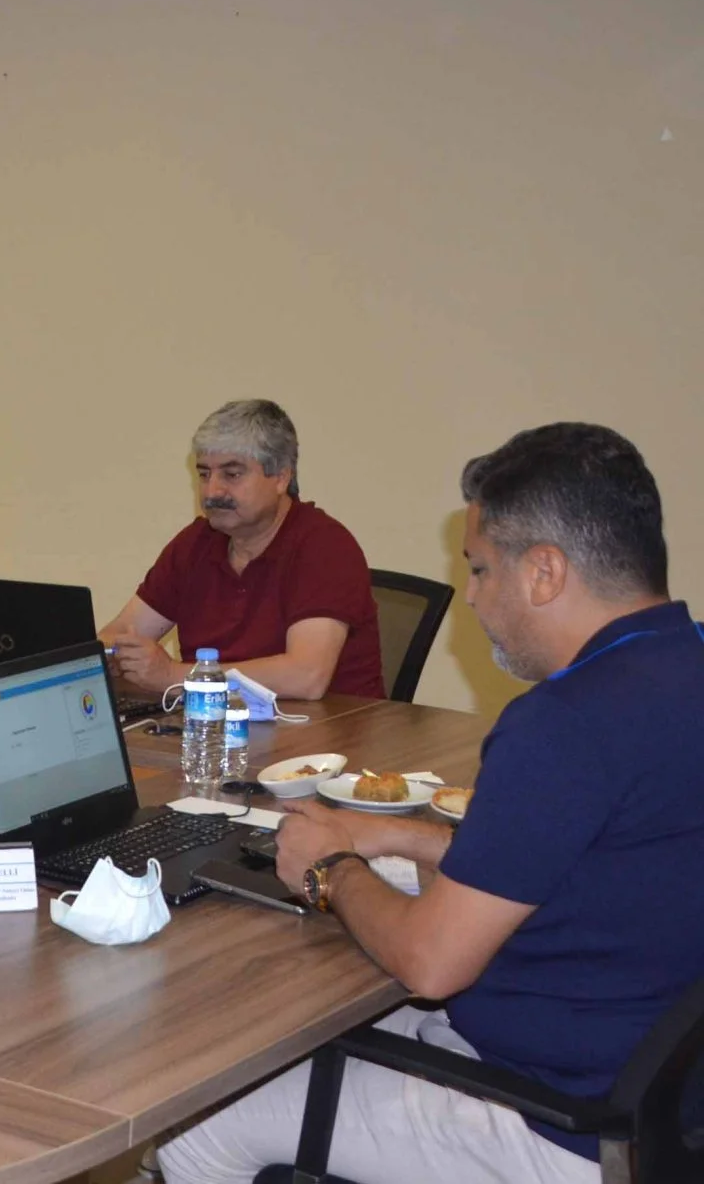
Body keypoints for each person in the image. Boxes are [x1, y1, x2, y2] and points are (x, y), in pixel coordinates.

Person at [160, 423, 702, 1184]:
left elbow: (430, 965)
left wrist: (331, 866)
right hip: (663, 1094)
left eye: (479, 569)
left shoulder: (565, 724)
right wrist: (406, 839)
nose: (471, 597)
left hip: (562, 1124)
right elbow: (583, 860)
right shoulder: (683, 663)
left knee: (195, 1127)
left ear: (545, 571)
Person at [101, 399, 386, 702]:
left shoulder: (324, 545)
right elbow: (115, 635)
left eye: (232, 474)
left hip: (328, 728)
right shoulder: (196, 543)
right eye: (204, 474)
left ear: (281, 477)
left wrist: (172, 674)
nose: (212, 491)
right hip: (214, 723)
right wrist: (116, 656)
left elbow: (306, 677)